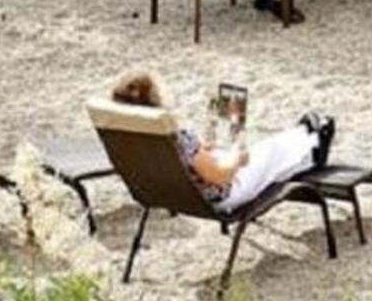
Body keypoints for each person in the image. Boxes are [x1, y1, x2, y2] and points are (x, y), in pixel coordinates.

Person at [107, 70, 335, 213]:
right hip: (219, 197)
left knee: (252, 152)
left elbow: (186, 166)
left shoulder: (127, 138)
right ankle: (312, 138)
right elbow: (219, 176)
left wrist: (204, 152)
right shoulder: (176, 139)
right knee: (266, 152)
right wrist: (237, 158)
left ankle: (306, 146)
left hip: (174, 195)